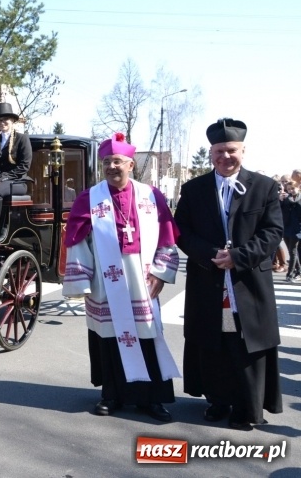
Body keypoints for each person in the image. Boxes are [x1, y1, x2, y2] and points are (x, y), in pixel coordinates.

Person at [63, 132, 180, 422]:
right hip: (105, 278)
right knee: (110, 337)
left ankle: (151, 399)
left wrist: (161, 273)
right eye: (106, 162)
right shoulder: (90, 198)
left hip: (142, 278)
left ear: (130, 164)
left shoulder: (151, 195)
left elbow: (167, 238)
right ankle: (111, 395)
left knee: (147, 334)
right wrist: (82, 280)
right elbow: (77, 241)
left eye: (117, 161)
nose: (111, 167)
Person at [174, 118, 283, 430]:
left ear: (243, 151)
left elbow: (272, 232)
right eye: (219, 151)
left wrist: (237, 257)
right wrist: (212, 255)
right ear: (211, 153)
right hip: (208, 279)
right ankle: (217, 400)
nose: (225, 156)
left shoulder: (264, 187)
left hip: (248, 281)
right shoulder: (193, 189)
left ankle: (246, 406)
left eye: (231, 150)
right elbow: (182, 231)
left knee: (245, 344)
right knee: (215, 342)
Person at [0, 102, 32, 240]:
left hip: (18, 182)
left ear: (13, 121)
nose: (2, 122)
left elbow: (24, 166)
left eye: (5, 119)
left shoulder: (22, 139)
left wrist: (2, 179)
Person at [280, 180, 301, 282]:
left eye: (293, 188)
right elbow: (279, 211)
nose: (291, 191)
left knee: (292, 251)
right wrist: (280, 200)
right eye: (288, 189)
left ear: (298, 188)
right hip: (286, 228)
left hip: (297, 229)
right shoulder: (286, 199)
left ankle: (290, 274)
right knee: (291, 251)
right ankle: (299, 271)